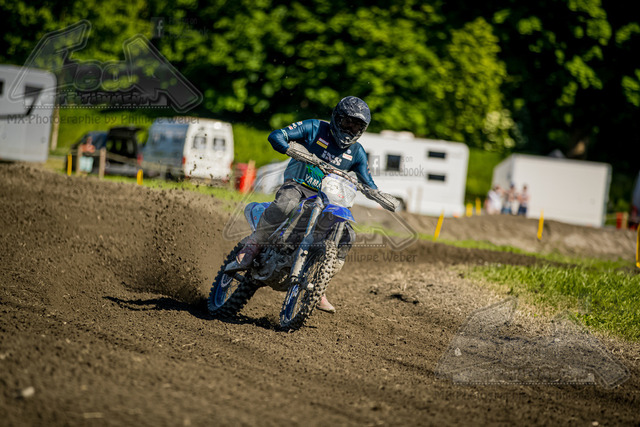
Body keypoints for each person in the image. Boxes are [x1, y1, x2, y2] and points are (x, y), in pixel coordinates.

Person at [227, 96, 381, 313]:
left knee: (348, 235)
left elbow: (367, 179)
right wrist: (288, 148)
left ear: (362, 129)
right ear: (337, 118)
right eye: (347, 122)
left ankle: (319, 286)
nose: (350, 129)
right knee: (286, 204)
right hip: (298, 186)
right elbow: (277, 135)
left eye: (356, 126)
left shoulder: (357, 152)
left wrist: (378, 194)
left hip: (328, 198)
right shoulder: (315, 128)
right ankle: (252, 246)